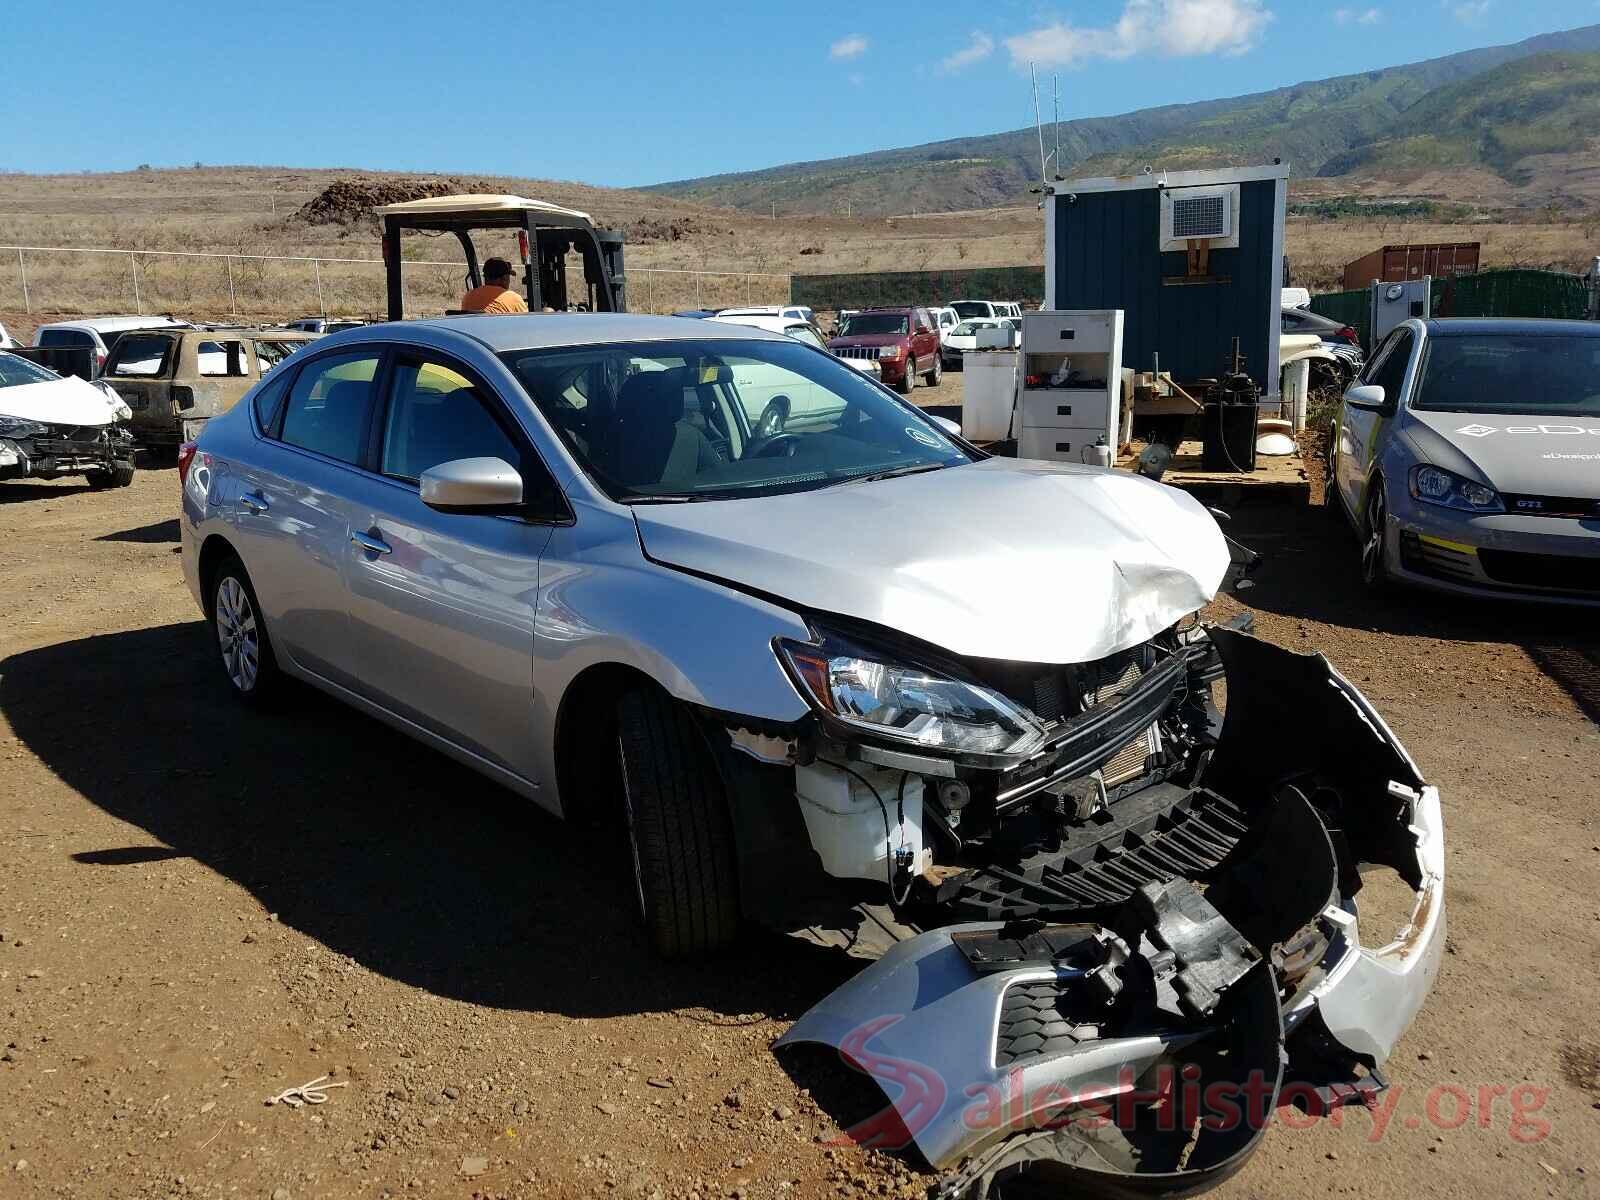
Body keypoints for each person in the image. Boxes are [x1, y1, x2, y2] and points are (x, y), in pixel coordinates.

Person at [459, 258, 528, 314]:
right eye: (508, 277)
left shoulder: (468, 297)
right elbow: (528, 323)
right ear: (504, 278)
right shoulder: (514, 299)